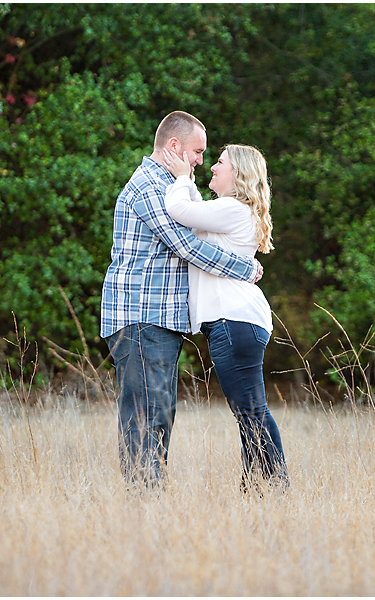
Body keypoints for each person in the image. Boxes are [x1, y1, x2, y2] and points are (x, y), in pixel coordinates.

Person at [100, 111, 262, 488]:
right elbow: (185, 244)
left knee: (159, 411)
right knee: (147, 414)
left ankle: (149, 501)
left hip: (160, 320)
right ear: (174, 146)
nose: (201, 162)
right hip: (141, 317)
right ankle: (145, 502)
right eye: (197, 151)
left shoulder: (170, 185)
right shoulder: (149, 187)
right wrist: (244, 267)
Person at [162, 144, 288, 491]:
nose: (212, 168)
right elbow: (195, 211)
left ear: (239, 174)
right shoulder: (227, 210)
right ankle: (256, 489)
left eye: (220, 163)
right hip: (238, 321)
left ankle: (276, 486)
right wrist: (186, 181)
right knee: (248, 411)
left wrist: (183, 176)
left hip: (233, 321)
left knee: (250, 411)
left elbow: (178, 209)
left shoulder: (232, 208)